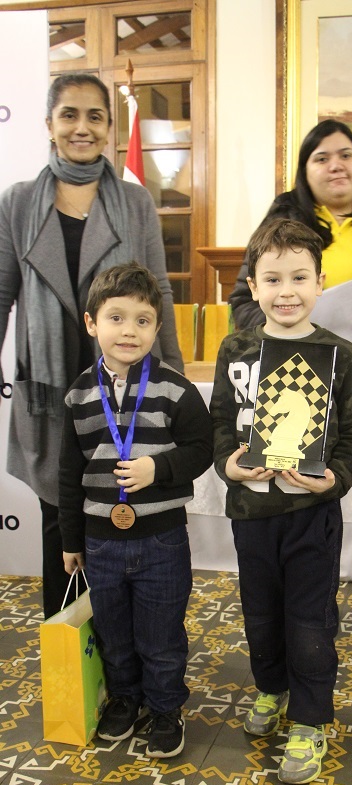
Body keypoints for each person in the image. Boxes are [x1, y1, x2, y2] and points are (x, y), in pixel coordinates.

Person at [229, 119, 352, 646]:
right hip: (294, 386)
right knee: (298, 498)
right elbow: (243, 302)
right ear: (305, 170)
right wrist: (286, 326)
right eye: (321, 157)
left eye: (345, 155)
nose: (335, 165)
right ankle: (296, 614)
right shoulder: (280, 223)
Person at [0, 72, 183, 620]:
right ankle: (66, 643)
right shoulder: (17, 202)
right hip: (50, 387)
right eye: (69, 115)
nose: (82, 127)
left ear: (109, 128)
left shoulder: (134, 201)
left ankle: (122, 646)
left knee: (123, 508)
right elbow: (2, 291)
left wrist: (172, 374)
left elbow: (159, 289)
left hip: (125, 384)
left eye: (95, 116)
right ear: (49, 124)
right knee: (61, 518)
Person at [211, 218, 352, 784]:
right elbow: (220, 421)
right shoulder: (236, 348)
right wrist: (228, 464)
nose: (286, 292)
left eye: (300, 277)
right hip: (251, 516)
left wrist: (335, 478)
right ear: (252, 286)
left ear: (321, 282)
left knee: (309, 621)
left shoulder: (340, 354)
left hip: (311, 517)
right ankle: (271, 689)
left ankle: (310, 719)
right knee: (260, 615)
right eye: (273, 279)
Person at [58, 262, 212, 758]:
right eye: (116, 318)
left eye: (142, 320)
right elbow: (69, 475)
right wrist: (71, 540)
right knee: (113, 632)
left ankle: (165, 707)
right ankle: (125, 698)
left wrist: (158, 468)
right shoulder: (79, 395)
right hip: (101, 542)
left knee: (161, 634)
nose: (129, 331)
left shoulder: (175, 389)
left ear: (157, 327)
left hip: (161, 540)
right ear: (91, 323)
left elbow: (202, 449)